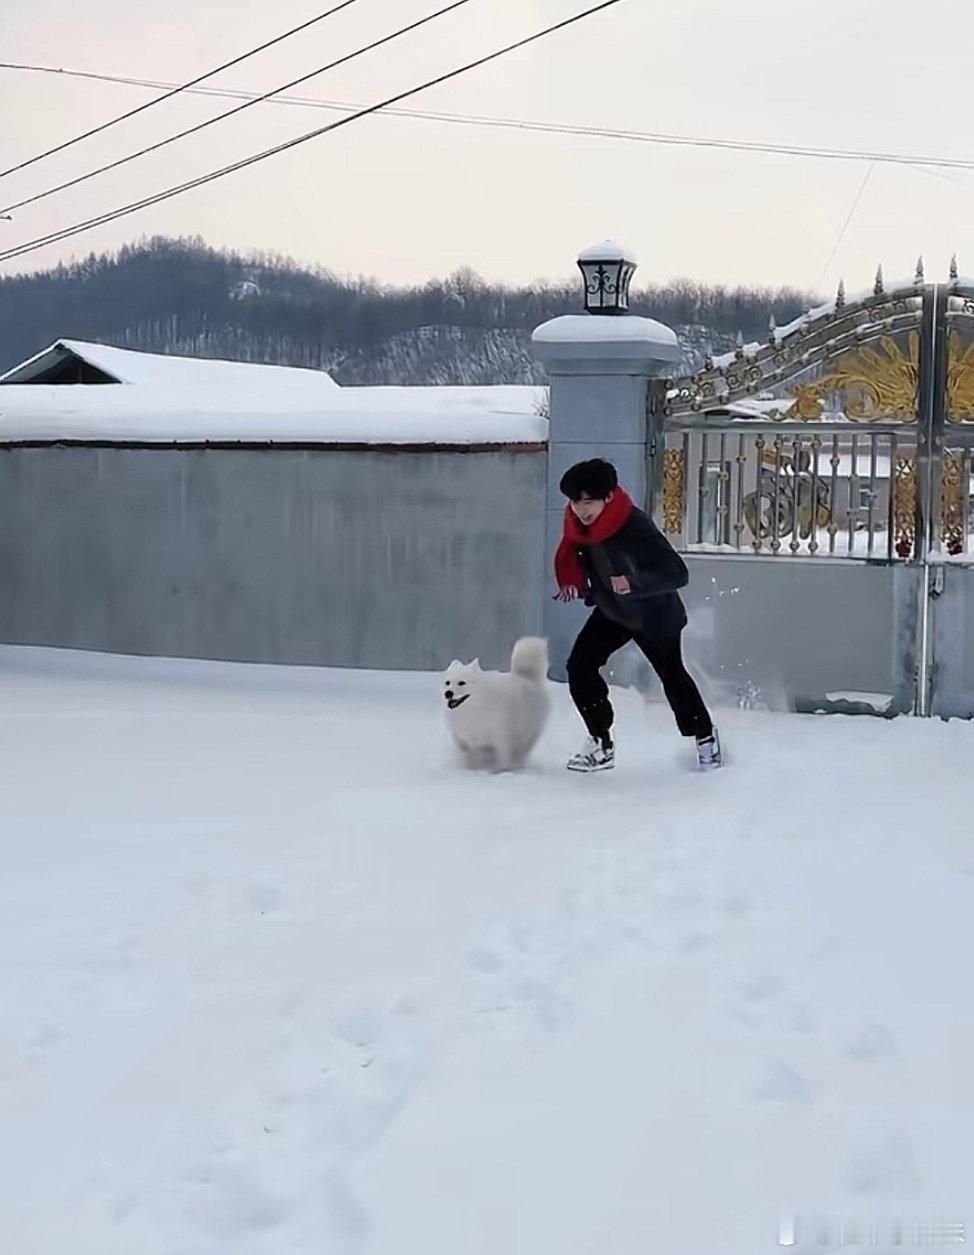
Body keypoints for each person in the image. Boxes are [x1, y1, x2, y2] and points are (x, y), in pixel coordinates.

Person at [553, 457, 722, 772]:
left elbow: (677, 572)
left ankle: (704, 737)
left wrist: (633, 582)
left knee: (671, 676)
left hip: (654, 613)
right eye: (575, 501)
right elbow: (584, 560)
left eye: (588, 501)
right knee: (580, 667)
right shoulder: (579, 529)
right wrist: (585, 587)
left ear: (608, 497)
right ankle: (600, 742)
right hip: (614, 611)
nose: (580, 509)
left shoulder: (634, 524)